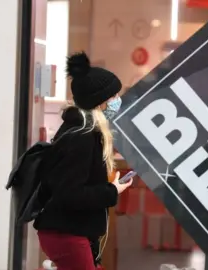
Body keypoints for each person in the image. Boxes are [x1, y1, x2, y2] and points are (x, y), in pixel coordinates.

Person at [33, 51, 132, 270]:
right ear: (99, 102)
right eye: (113, 97)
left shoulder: (81, 130)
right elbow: (70, 194)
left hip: (71, 232)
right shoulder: (81, 136)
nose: (118, 101)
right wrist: (111, 191)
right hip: (67, 234)